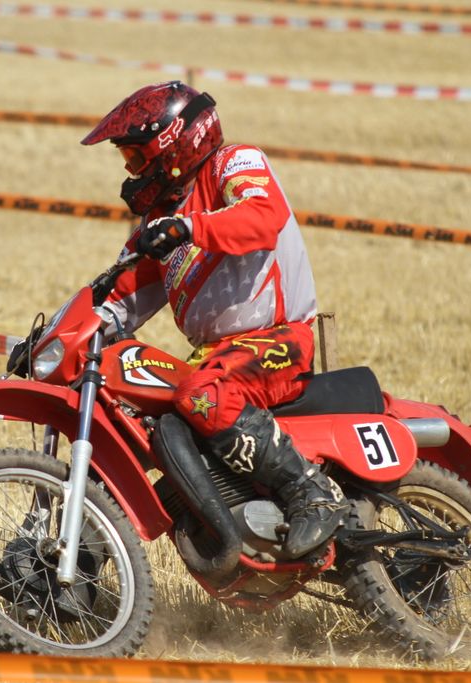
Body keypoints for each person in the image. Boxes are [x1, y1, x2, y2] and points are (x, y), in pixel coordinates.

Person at [81, 81, 346, 558]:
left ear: (172, 145)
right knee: (136, 415)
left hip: (277, 339)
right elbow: (116, 295)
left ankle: (312, 492)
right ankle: (85, 553)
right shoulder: (160, 223)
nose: (131, 172)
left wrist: (188, 227)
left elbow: (263, 216)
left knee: (201, 392)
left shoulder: (234, 163)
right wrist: (60, 334)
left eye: (136, 158)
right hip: (215, 359)